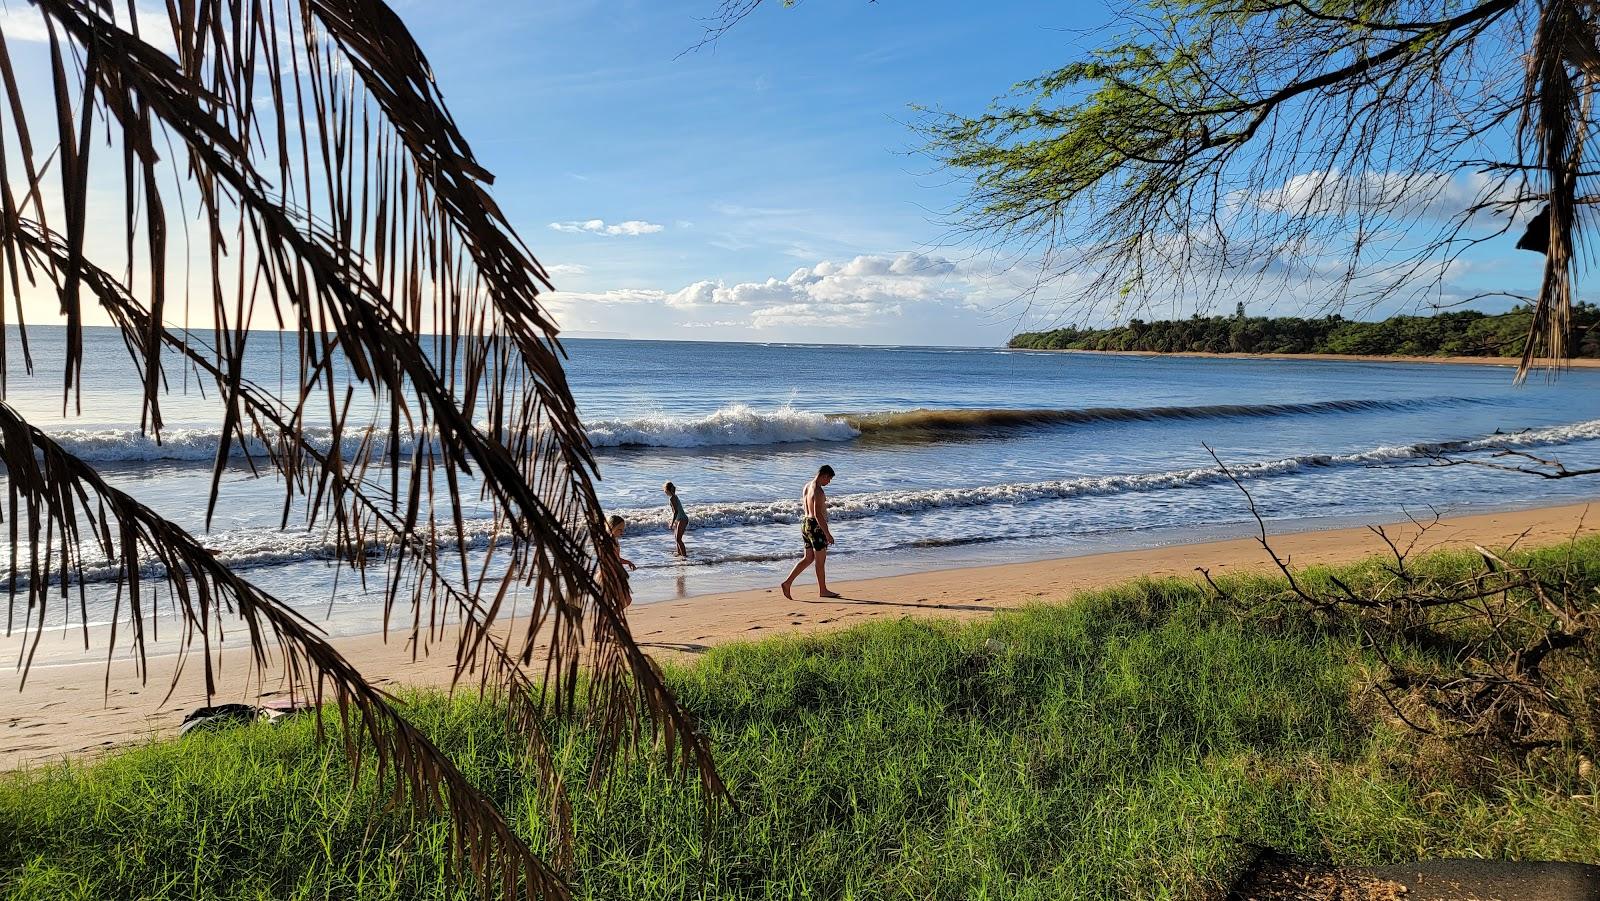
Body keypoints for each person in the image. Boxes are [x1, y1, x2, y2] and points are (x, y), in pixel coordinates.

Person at [781, 464, 839, 600]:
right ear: (824, 475)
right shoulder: (818, 491)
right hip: (816, 527)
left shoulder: (807, 486)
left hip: (805, 524)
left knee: (808, 558)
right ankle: (823, 590)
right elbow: (818, 515)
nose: (828, 482)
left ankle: (787, 583)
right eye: (829, 479)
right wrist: (828, 534)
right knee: (820, 561)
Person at [664, 481, 689, 557]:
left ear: (667, 490)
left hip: (682, 519)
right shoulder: (675, 496)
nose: (664, 492)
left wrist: (671, 523)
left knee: (678, 539)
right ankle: (679, 554)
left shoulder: (672, 498)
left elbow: (676, 512)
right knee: (677, 539)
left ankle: (684, 556)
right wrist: (675, 521)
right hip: (679, 519)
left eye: (664, 490)